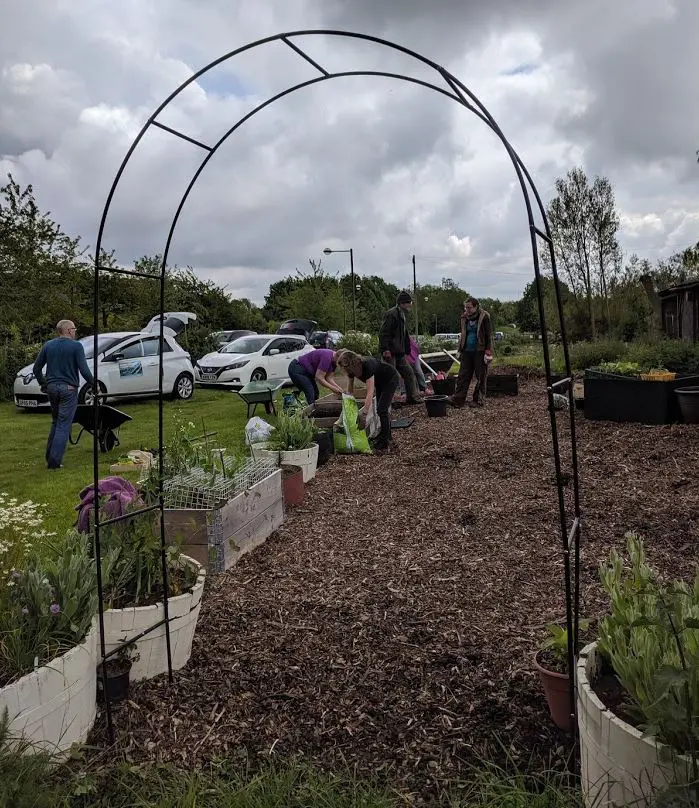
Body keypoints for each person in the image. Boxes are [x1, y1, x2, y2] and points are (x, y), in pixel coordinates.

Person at [33, 319, 94, 469]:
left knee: (55, 421)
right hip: (69, 389)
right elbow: (84, 370)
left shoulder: (48, 345)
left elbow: (36, 368)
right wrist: (93, 383)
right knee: (63, 424)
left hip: (52, 388)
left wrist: (43, 384)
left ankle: (49, 457)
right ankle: (54, 462)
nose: (75, 332)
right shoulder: (76, 346)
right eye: (74, 329)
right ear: (67, 331)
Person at [336, 349, 400, 454]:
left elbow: (370, 393)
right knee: (381, 409)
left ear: (353, 363)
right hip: (380, 383)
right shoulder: (351, 371)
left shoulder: (367, 366)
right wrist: (346, 405)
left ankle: (386, 441)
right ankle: (386, 435)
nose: (347, 372)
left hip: (390, 378)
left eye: (347, 369)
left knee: (382, 409)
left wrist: (364, 415)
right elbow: (350, 391)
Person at [448, 297, 494, 408]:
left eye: (469, 307)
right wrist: (460, 349)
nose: (467, 310)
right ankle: (458, 399)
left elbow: (489, 335)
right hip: (467, 351)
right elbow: (463, 334)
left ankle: (478, 400)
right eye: (466, 307)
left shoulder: (484, 316)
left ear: (476, 306)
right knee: (463, 376)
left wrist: (488, 351)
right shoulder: (465, 318)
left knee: (481, 376)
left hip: (480, 350)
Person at [378, 291, 421, 404]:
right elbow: (384, 333)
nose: (410, 305)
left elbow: (403, 334)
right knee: (390, 377)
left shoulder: (402, 314)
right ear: (402, 303)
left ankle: (412, 398)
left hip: (399, 352)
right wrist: (385, 349)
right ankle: (387, 401)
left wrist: (406, 349)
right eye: (409, 303)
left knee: (409, 373)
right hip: (390, 352)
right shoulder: (391, 314)